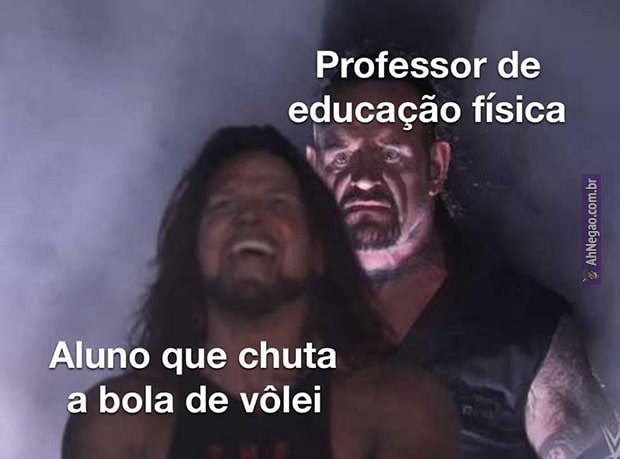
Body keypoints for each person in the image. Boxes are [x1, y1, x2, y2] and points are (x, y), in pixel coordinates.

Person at [62, 125, 459, 459]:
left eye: (277, 203)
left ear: (318, 250)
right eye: (225, 204)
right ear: (194, 251)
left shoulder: (400, 410)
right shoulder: (117, 422)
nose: (250, 217)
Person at [306, 60, 618, 459]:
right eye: (341, 157)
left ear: (436, 167)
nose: (364, 177)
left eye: (390, 154)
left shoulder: (524, 328)